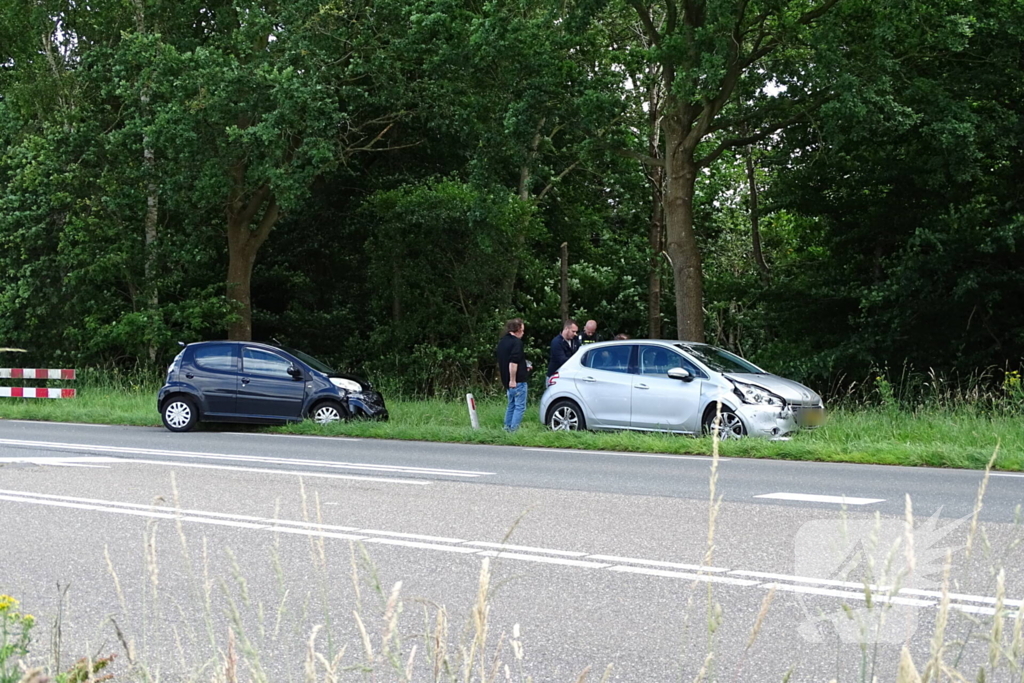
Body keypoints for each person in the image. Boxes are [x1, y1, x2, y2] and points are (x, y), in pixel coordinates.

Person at [496, 318, 529, 431]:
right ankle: (513, 430)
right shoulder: (516, 343)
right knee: (519, 407)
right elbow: (513, 362)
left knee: (511, 405)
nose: (523, 333)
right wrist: (513, 379)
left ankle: (507, 427)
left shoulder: (502, 342)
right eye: (523, 330)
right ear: (518, 329)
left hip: (506, 380)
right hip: (517, 381)